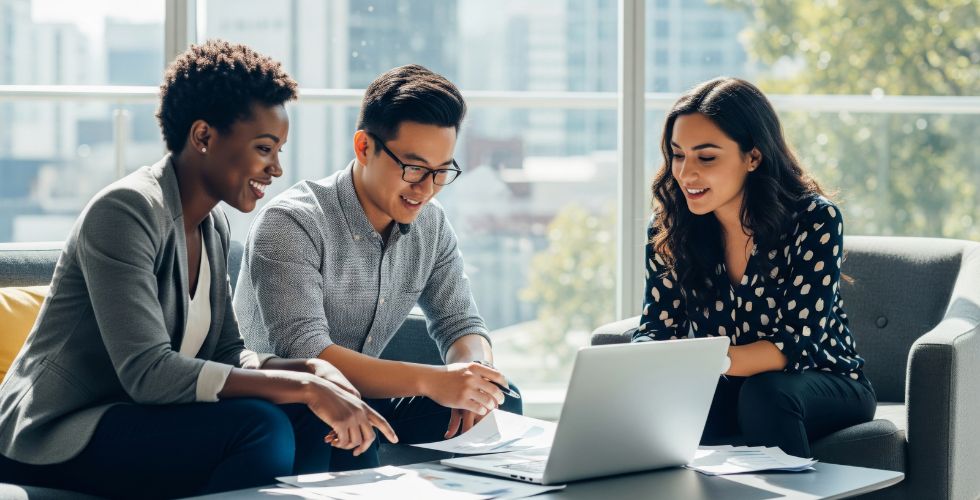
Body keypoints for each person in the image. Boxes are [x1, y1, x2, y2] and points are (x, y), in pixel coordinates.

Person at [0, 40, 396, 499]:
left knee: (327, 414)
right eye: (264, 148)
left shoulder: (211, 224)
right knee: (261, 427)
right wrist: (301, 385)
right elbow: (147, 373)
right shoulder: (125, 211)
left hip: (137, 416)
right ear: (204, 137)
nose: (276, 168)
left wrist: (311, 370)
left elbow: (227, 350)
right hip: (56, 431)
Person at [233, 64, 522, 468]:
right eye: (415, 168)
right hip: (292, 400)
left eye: (442, 172)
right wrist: (433, 380)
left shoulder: (431, 222)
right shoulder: (292, 222)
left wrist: (473, 372)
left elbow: (460, 322)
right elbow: (308, 352)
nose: (425, 189)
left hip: (372, 395)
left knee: (501, 400)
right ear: (364, 147)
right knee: (349, 431)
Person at [634, 77, 876, 458]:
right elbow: (657, 326)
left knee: (764, 393)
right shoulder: (669, 227)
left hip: (823, 381)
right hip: (729, 382)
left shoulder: (814, 219)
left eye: (707, 156)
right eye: (678, 154)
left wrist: (698, 362)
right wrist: (649, 357)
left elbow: (797, 344)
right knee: (685, 407)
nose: (685, 173)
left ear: (753, 156)